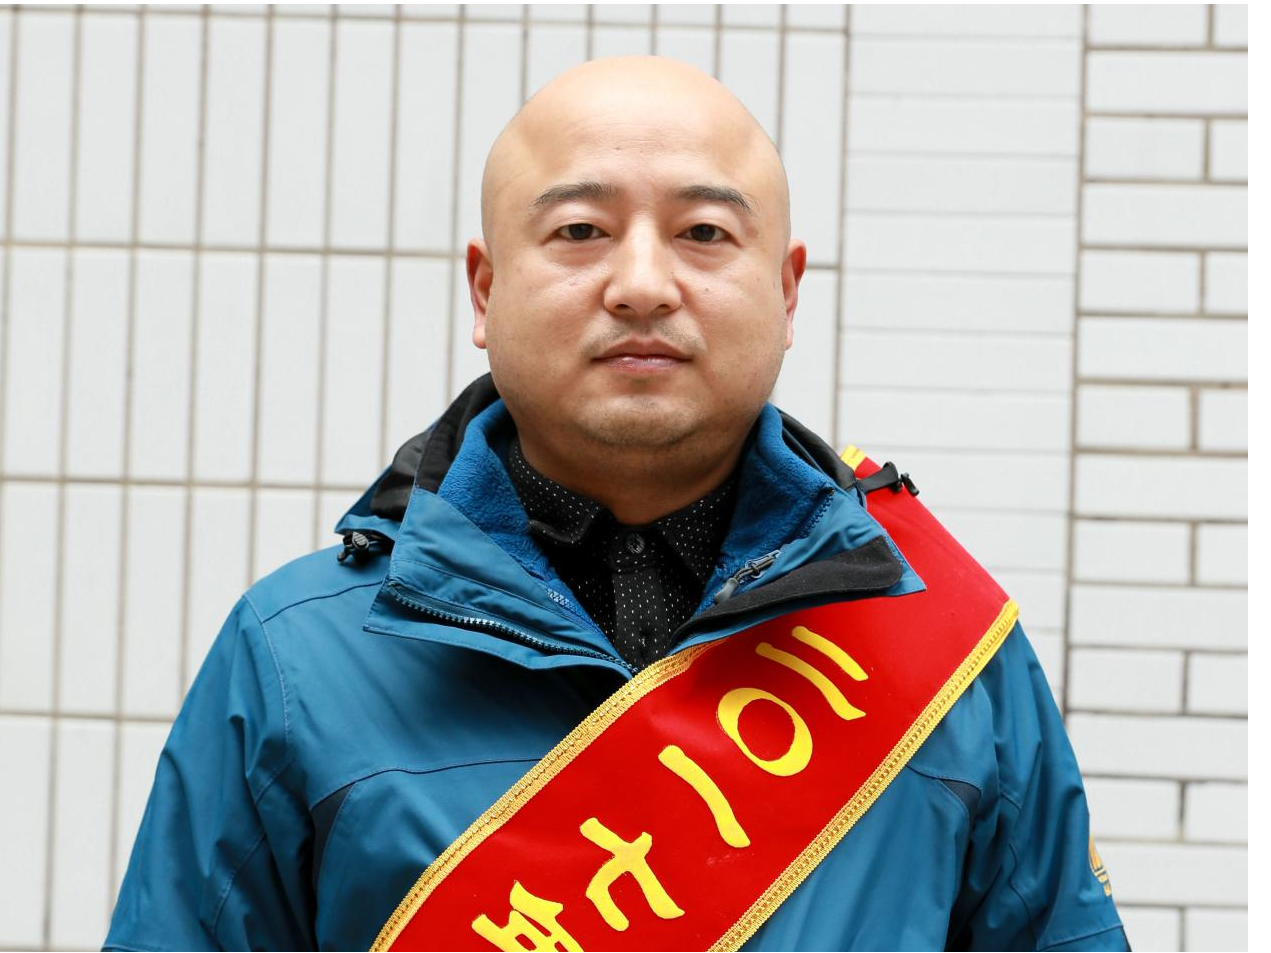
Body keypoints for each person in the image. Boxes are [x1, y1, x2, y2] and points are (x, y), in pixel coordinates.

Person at [103, 55, 1130, 952]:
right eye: (581, 230)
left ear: (786, 292)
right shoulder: (294, 656)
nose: (642, 284)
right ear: (483, 289)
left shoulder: (940, 650)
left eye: (702, 232)